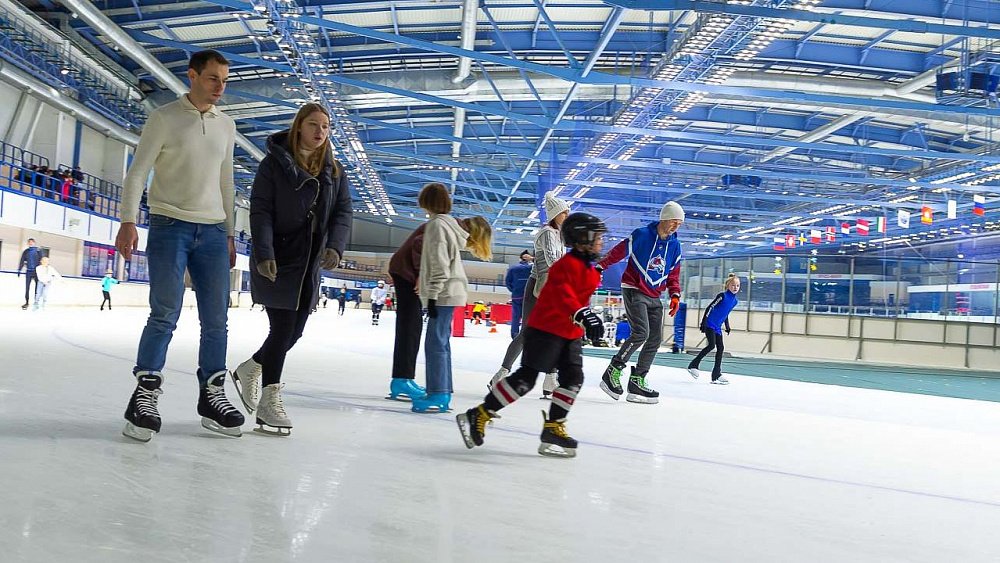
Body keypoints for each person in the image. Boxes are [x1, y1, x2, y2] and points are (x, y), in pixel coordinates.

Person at [115, 50, 244, 442]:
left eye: (224, 80)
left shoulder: (226, 125)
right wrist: (127, 221)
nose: (220, 87)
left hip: (213, 231)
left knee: (216, 319)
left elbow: (226, 182)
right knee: (164, 313)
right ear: (192, 76)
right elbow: (138, 172)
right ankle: (145, 395)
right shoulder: (164, 118)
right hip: (169, 224)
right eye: (213, 78)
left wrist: (229, 232)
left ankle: (212, 395)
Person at [231, 102, 353, 436]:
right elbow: (261, 210)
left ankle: (251, 367)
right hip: (279, 257)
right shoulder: (273, 164)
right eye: (314, 124)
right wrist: (264, 252)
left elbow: (343, 212)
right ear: (299, 126)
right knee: (283, 328)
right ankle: (269, 402)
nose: (320, 131)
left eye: (326, 126)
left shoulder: (334, 171)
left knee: (295, 332)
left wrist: (335, 246)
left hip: (309, 263)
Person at [457, 213, 607, 458]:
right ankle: (479, 414)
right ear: (583, 237)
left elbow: (578, 300)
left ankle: (553, 427)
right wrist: (582, 313)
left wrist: (587, 318)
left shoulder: (590, 270)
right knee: (525, 379)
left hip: (569, 333)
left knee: (573, 378)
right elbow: (563, 295)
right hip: (545, 330)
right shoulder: (564, 266)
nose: (601, 241)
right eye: (597, 236)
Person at [596, 201, 685, 405]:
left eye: (679, 224)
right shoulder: (642, 234)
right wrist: (601, 266)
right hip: (634, 288)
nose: (676, 227)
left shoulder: (675, 245)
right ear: (664, 218)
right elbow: (619, 251)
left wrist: (675, 295)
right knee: (641, 333)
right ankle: (612, 371)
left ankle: (638, 380)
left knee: (655, 338)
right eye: (674, 221)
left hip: (655, 294)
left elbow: (674, 273)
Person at [491, 191, 571, 398]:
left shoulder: (559, 236)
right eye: (564, 213)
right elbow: (552, 260)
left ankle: (550, 379)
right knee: (527, 333)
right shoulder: (547, 233)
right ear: (554, 214)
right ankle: (501, 375)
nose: (567, 216)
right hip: (539, 287)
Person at [412, 211, 493, 413]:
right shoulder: (453, 235)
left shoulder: (446, 233)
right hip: (449, 293)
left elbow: (441, 269)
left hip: (445, 294)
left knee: (435, 343)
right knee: (440, 342)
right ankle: (442, 391)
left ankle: (438, 393)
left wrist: (432, 295)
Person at [386, 183, 446, 401]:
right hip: (406, 274)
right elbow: (421, 245)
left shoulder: (438, 222)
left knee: (412, 326)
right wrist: (421, 273)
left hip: (405, 272)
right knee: (409, 326)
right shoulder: (439, 224)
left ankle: (404, 377)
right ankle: (401, 380)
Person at [687, 274, 740, 385]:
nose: (735, 287)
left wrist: (727, 325)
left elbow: (725, 313)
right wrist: (704, 321)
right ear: (727, 286)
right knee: (711, 345)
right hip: (710, 323)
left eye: (737, 286)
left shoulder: (735, 301)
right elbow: (710, 307)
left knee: (720, 348)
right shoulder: (722, 296)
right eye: (733, 285)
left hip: (717, 327)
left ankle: (716, 374)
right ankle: (693, 365)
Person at [504, 250, 533, 338]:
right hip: (529, 296)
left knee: (516, 317)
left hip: (517, 296)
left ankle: (514, 335)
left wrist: (514, 290)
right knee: (529, 316)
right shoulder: (532, 268)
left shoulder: (513, 268)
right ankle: (527, 335)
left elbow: (508, 282)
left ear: (520, 258)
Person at [18, 238, 42, 310]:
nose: (30, 243)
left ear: (34, 243)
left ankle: (36, 302)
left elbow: (42, 261)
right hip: (28, 272)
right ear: (28, 243)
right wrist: (19, 269)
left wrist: (43, 272)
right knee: (27, 288)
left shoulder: (38, 251)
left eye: (32, 242)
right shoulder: (26, 251)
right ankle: (26, 302)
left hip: (37, 272)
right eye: (29, 242)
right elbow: (22, 260)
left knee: (37, 288)